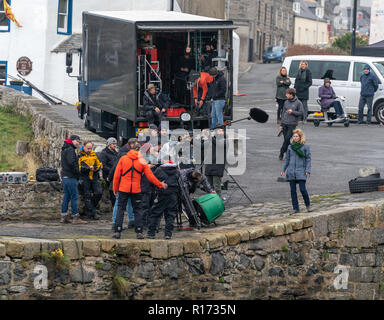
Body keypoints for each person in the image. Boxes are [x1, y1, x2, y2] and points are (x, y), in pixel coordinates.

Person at [112, 138, 168, 239]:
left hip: (123, 188)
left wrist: (115, 188)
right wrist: (160, 184)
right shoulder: (142, 161)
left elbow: (116, 176)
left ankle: (118, 231)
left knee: (120, 209)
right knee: (138, 210)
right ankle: (139, 232)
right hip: (136, 189)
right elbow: (150, 176)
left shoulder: (123, 159)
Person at [146, 161, 180, 240]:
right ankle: (168, 234)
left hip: (161, 194)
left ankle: (151, 233)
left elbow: (153, 180)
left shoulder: (159, 170)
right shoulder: (176, 171)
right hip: (173, 195)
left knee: (155, 213)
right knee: (170, 214)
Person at [281, 129, 311, 214]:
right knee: (293, 191)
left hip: (301, 171)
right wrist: (283, 170)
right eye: (294, 136)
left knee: (303, 189)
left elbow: (308, 159)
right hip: (291, 172)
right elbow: (287, 159)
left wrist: (307, 170)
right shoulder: (290, 147)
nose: (295, 137)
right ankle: (295, 208)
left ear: (300, 137)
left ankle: (308, 205)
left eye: (297, 136)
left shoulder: (305, 147)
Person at [109, 139, 136, 231]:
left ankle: (120, 222)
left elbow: (115, 170)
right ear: (132, 146)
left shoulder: (122, 154)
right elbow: (116, 170)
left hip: (123, 183)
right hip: (126, 183)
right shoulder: (125, 155)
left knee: (123, 203)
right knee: (122, 203)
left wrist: (110, 178)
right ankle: (120, 221)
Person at [60, 135, 87, 224]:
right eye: (77, 141)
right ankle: (76, 217)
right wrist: (77, 173)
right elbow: (72, 163)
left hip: (65, 176)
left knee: (67, 196)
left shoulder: (65, 148)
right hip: (71, 177)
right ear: (72, 141)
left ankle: (64, 216)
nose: (78, 143)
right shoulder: (70, 150)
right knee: (74, 197)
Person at [78, 141, 103, 220]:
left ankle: (91, 209)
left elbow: (100, 164)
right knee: (87, 195)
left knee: (98, 193)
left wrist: (97, 168)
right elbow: (78, 168)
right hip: (85, 177)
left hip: (94, 177)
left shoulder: (94, 155)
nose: (89, 150)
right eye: (88, 148)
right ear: (84, 147)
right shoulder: (79, 155)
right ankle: (92, 213)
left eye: (90, 148)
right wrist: (88, 168)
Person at [279, 88, 304, 161]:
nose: (286, 95)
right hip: (284, 123)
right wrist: (281, 124)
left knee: (287, 138)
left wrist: (292, 112)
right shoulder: (286, 102)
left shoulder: (298, 103)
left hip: (292, 124)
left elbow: (301, 113)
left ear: (291, 95)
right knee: (286, 140)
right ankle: (288, 153)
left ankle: (281, 152)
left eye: (287, 94)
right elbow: (283, 113)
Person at [205, 128, 226, 197]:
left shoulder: (225, 141)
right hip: (209, 165)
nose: (220, 131)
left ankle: (218, 202)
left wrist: (209, 136)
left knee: (217, 187)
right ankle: (209, 202)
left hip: (217, 167)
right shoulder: (211, 139)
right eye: (219, 130)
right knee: (209, 187)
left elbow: (218, 144)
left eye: (221, 130)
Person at [99, 137, 118, 208]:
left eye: (115, 144)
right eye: (113, 144)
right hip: (108, 175)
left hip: (115, 174)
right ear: (109, 144)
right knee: (112, 190)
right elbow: (103, 165)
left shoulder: (115, 153)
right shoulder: (104, 153)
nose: (115, 145)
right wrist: (111, 171)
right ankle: (114, 205)